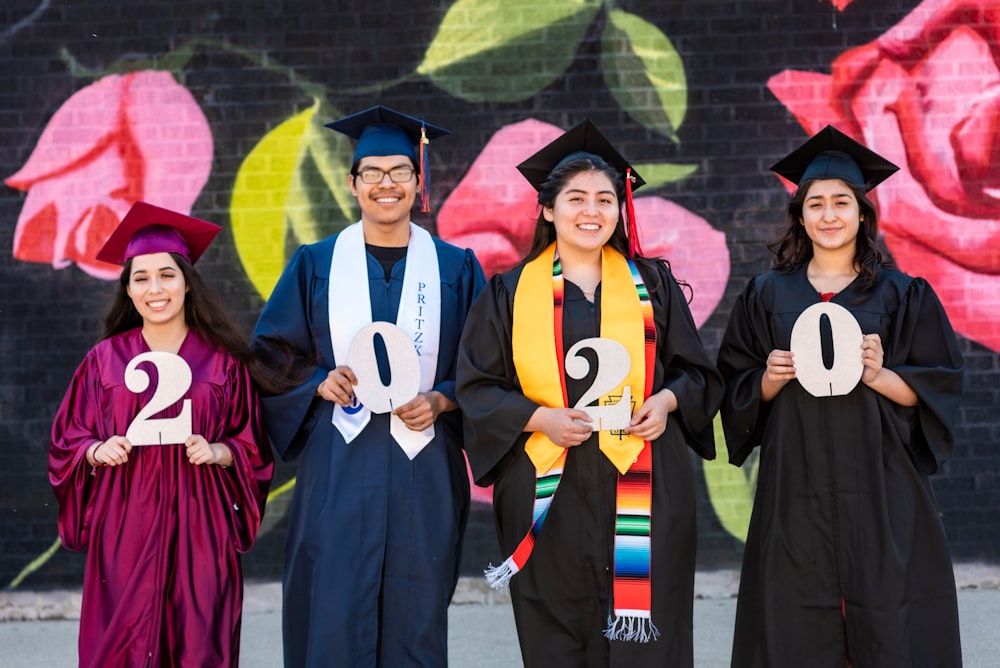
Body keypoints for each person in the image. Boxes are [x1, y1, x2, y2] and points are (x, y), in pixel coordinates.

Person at [456, 120, 725, 667]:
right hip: (546, 487)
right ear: (548, 210)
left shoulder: (654, 285)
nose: (591, 211)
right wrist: (539, 418)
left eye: (605, 199)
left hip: (645, 484)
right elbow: (477, 387)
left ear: (620, 209)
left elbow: (696, 375)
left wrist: (667, 402)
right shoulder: (508, 293)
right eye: (575, 198)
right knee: (558, 634)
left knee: (647, 637)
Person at [716, 126, 965, 666]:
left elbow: (936, 385)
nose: (829, 215)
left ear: (861, 213)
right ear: (800, 215)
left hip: (882, 483)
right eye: (816, 204)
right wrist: (768, 378)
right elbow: (732, 386)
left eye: (841, 203)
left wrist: (879, 375)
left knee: (888, 616)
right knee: (796, 619)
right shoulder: (765, 295)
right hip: (795, 487)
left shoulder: (902, 294)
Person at [251, 105, 486, 667]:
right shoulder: (316, 263)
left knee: (417, 613)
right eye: (372, 173)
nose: (387, 184)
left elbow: (491, 365)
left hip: (424, 465)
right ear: (353, 183)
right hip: (340, 462)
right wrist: (316, 382)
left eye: (400, 171)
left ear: (418, 181)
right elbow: (269, 355)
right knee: (333, 610)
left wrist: (444, 396)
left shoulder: (455, 267)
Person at [49, 201, 276, 668]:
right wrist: (94, 450)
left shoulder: (222, 362)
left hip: (202, 528)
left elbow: (252, 443)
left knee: (200, 644)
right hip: (125, 527)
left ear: (187, 283)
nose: (155, 289)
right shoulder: (104, 361)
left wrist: (220, 450)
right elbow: (66, 441)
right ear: (128, 290)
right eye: (142, 277)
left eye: (167, 275)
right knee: (120, 646)